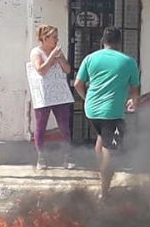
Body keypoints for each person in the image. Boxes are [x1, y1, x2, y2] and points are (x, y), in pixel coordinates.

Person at [74, 27, 140, 200]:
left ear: (103, 41)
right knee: (110, 150)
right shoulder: (128, 61)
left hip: (91, 110)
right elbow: (134, 89)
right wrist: (133, 100)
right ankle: (104, 192)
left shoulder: (90, 58)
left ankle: (101, 172)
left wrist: (87, 98)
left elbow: (77, 84)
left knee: (102, 138)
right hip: (112, 112)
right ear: (119, 42)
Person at [30, 25, 74, 170]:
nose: (57, 39)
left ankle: (67, 157)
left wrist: (60, 58)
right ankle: (40, 157)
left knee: (64, 126)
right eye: (54, 37)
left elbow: (67, 69)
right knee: (41, 125)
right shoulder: (36, 52)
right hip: (44, 94)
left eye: (57, 36)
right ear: (45, 38)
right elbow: (40, 70)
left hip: (59, 94)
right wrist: (50, 58)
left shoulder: (58, 52)